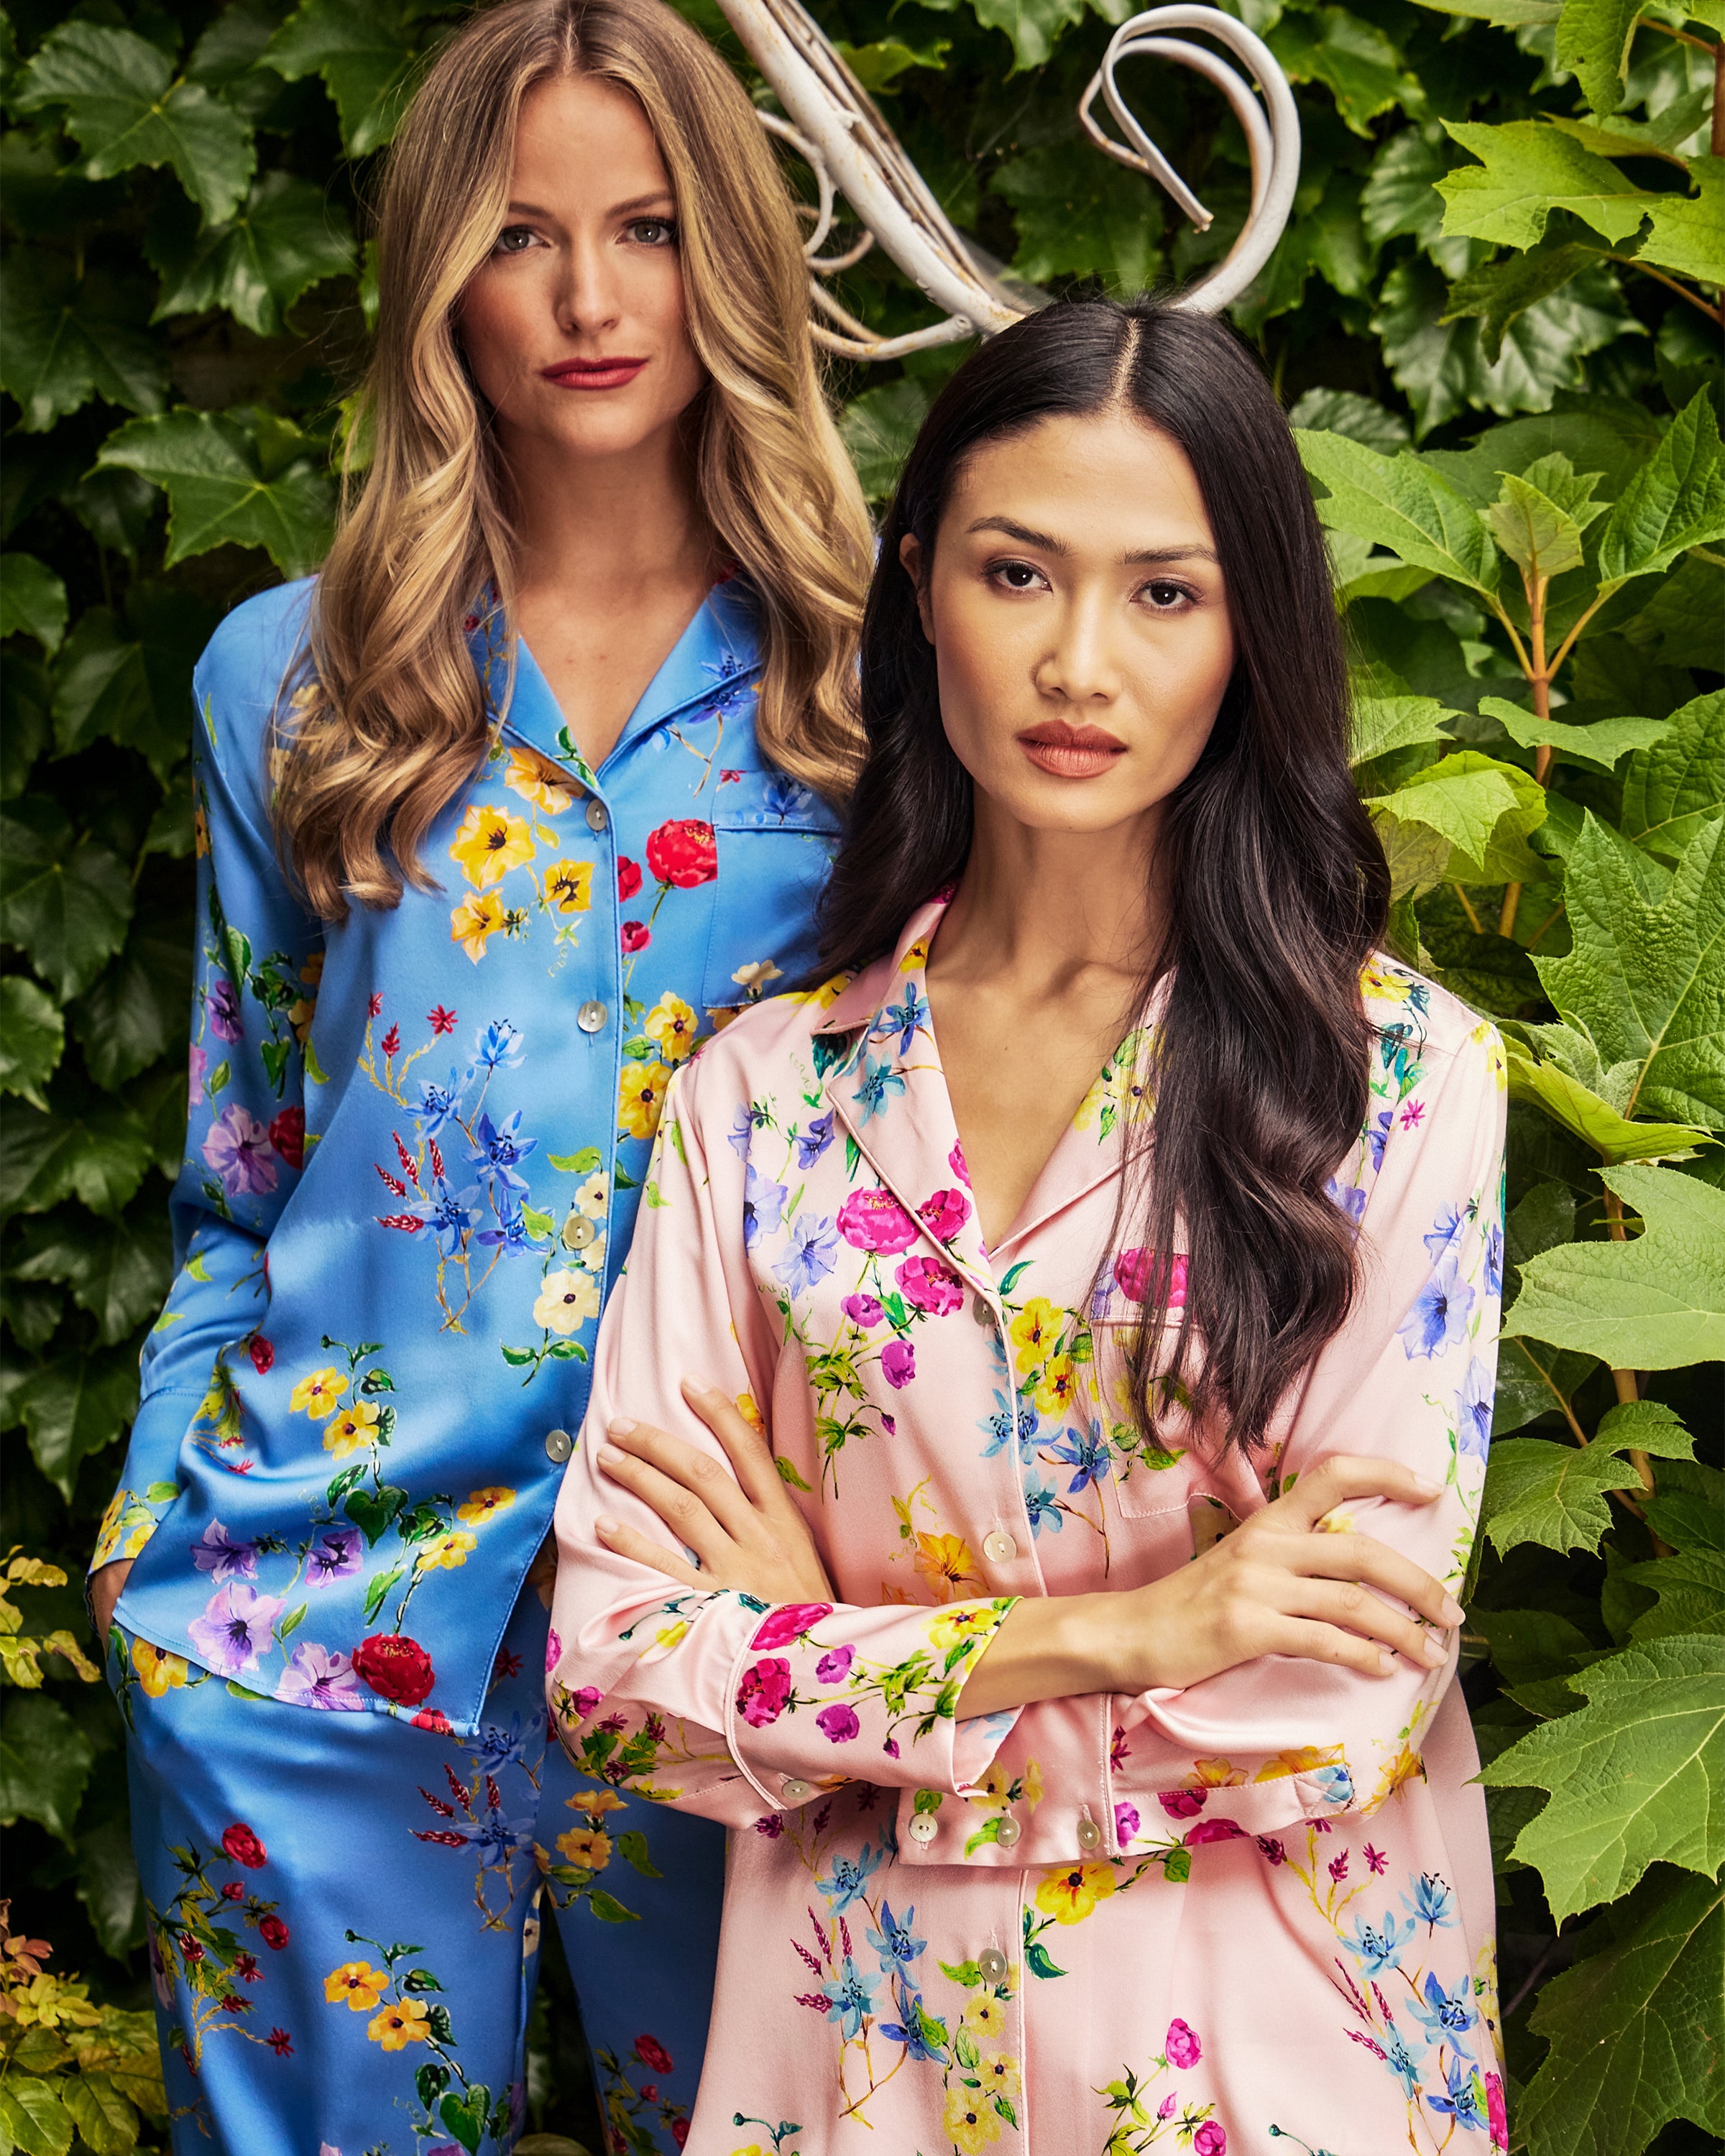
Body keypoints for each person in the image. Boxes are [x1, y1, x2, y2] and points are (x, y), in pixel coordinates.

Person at [545, 297, 1509, 2155]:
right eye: (1017, 572)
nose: (1079, 660)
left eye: (1167, 593)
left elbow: (1333, 1698)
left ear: (1255, 633)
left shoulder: (1396, 1085)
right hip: (860, 2060)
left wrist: (832, 1660)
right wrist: (1133, 1633)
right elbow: (623, 1674)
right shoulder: (763, 1100)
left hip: (1276, 2056)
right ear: (922, 590)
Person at [85, 0, 872, 2147]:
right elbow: (240, 1165)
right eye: (523, 236)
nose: (593, 298)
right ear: (442, 274)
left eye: (649, 227)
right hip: (312, 1629)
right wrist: (161, 1520)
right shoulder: (296, 674)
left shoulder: (873, 683)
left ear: (734, 254)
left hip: (748, 1635)